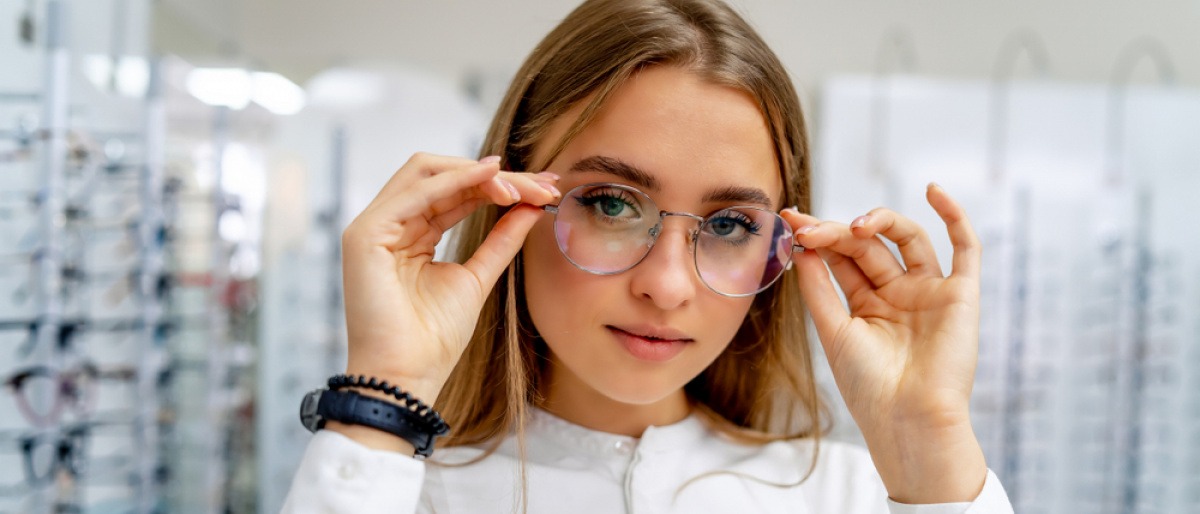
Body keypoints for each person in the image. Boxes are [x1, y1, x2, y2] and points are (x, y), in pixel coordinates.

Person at [282, 0, 1014, 512]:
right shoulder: (382, 483)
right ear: (510, 199)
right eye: (610, 204)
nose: (666, 287)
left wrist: (929, 446)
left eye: (729, 224)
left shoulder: (861, 498)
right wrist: (384, 395)